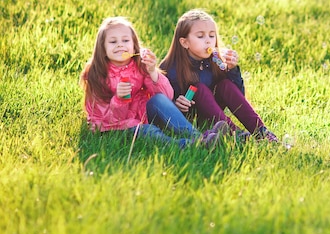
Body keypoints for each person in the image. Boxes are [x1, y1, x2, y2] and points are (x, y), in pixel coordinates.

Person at [79, 16, 229, 149]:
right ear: (103, 48)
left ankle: (199, 137)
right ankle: (189, 144)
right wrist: (120, 99)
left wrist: (152, 72)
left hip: (140, 114)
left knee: (158, 99)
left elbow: (167, 96)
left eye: (125, 40)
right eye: (113, 41)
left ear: (134, 45)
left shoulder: (138, 64)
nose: (120, 45)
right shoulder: (96, 74)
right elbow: (109, 117)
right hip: (113, 125)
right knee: (149, 131)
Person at [160, 9, 278, 143]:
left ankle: (261, 131)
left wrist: (232, 70)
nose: (208, 41)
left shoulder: (216, 60)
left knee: (226, 85)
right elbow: (161, 104)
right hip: (190, 118)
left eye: (212, 36)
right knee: (199, 88)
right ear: (184, 42)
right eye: (200, 36)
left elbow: (238, 97)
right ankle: (236, 135)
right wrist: (176, 103)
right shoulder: (170, 68)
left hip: (214, 114)